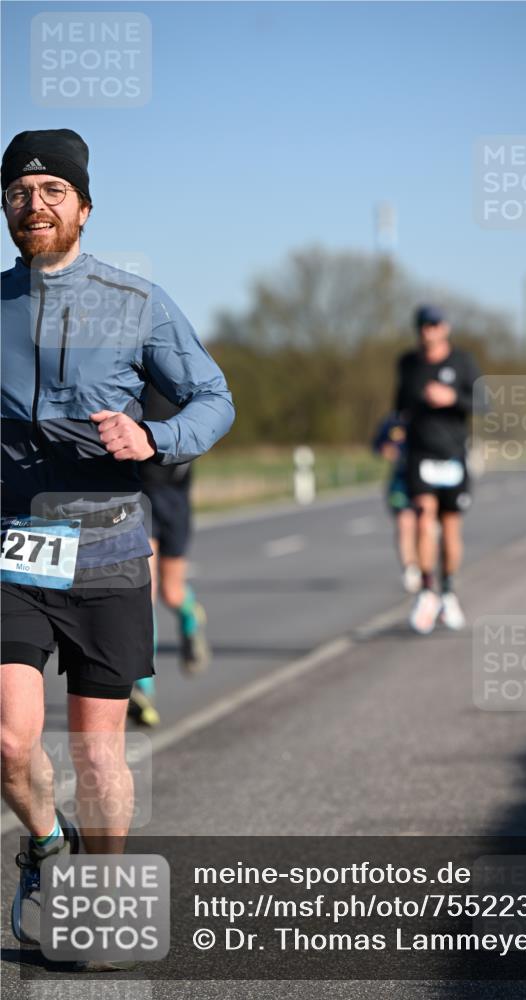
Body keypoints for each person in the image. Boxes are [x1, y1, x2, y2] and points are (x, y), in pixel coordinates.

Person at [0, 129, 234, 953]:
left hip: (106, 548)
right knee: (9, 738)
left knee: (98, 758)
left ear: (84, 209)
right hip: (14, 546)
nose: (34, 205)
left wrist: (153, 441)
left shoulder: (137, 302)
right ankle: (47, 842)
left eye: (52, 192)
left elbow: (212, 398)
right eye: (19, 193)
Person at [128, 384, 211, 726]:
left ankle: (191, 617)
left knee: (171, 593)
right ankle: (143, 688)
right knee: (140, 595)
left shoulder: (180, 374)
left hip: (173, 497)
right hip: (137, 495)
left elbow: (210, 417)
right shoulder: (123, 372)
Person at [394, 305, 480, 634]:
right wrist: (392, 435)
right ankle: (428, 590)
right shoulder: (408, 363)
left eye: (433, 325)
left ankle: (449, 591)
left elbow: (482, 401)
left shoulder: (463, 362)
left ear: (445, 327)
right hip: (420, 454)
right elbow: (398, 407)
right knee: (422, 517)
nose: (427, 331)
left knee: (451, 526)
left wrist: (452, 397)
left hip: (454, 453)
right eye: (422, 326)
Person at [372, 413, 420, 593]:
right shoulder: (393, 422)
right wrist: (386, 450)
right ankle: (411, 569)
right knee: (405, 523)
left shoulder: (429, 416)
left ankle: (426, 568)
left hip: (427, 479)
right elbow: (377, 445)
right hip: (402, 482)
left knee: (424, 526)